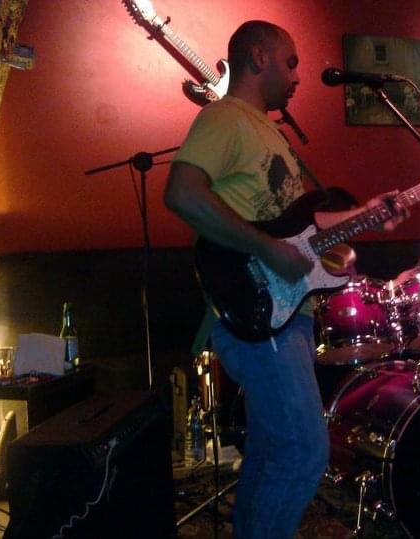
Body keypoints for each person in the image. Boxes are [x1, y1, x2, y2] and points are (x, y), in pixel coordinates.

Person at [164, 20, 407, 539]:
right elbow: (181, 193)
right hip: (258, 311)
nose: (298, 76)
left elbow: (299, 229)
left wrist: (367, 213)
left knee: (272, 451)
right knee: (303, 452)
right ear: (259, 57)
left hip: (285, 312)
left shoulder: (269, 132)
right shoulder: (226, 117)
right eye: (291, 62)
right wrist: (267, 250)